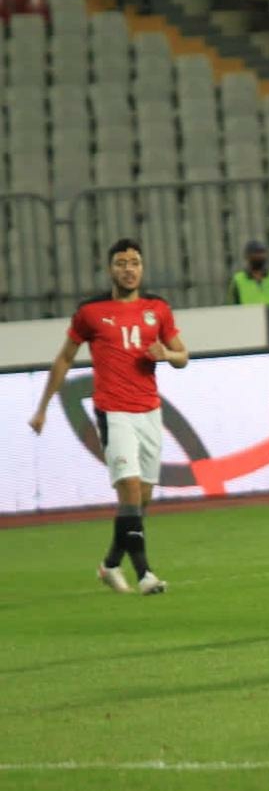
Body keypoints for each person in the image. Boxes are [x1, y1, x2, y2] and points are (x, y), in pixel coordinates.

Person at [28, 237, 188, 595]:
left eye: (134, 263)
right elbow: (65, 357)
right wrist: (42, 408)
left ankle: (111, 564)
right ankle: (145, 574)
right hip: (113, 411)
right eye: (121, 263)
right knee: (129, 487)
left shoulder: (157, 309)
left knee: (142, 497)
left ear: (142, 268)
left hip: (149, 411)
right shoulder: (91, 312)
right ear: (110, 269)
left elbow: (183, 356)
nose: (128, 270)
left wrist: (166, 355)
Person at [227, 239, 269, 306]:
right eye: (256, 253)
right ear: (247, 256)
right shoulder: (238, 280)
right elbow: (232, 307)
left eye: (262, 253)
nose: (259, 256)